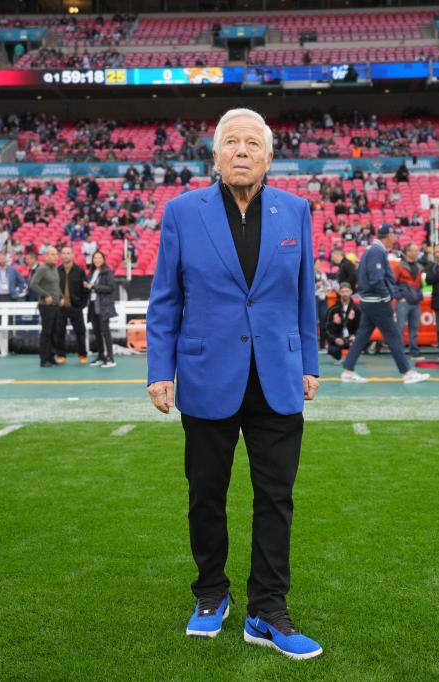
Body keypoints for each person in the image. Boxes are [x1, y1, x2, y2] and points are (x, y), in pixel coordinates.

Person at [146, 108, 323, 660]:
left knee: (276, 498)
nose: (242, 150)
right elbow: (166, 298)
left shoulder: (295, 210)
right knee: (206, 496)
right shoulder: (181, 212)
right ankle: (210, 594)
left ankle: (267, 610)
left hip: (277, 375)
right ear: (215, 154)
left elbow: (303, 296)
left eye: (253, 143)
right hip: (204, 374)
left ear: (269, 156)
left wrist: (310, 361)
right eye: (231, 142)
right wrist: (159, 370)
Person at [339, 224, 430, 384]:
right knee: (394, 335)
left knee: (362, 336)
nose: (395, 238)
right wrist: (387, 296)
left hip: (369, 300)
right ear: (387, 236)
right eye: (393, 235)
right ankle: (407, 372)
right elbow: (376, 279)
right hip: (377, 301)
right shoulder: (377, 251)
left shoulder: (373, 250)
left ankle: (348, 370)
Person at [54, 245, 88, 365]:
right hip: (61, 307)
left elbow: (86, 290)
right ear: (61, 255)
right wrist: (58, 301)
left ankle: (82, 355)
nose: (66, 255)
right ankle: (61, 355)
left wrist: (82, 305)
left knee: (80, 332)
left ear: (72, 255)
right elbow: (53, 289)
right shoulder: (56, 271)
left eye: (68, 253)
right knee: (59, 332)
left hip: (75, 307)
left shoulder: (79, 271)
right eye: (64, 253)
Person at [85, 250, 117, 367]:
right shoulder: (92, 272)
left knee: (105, 332)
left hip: (103, 306)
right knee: (97, 332)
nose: (97, 260)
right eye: (95, 258)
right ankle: (101, 356)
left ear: (103, 259)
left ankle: (110, 358)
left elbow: (111, 287)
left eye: (99, 258)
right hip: (93, 305)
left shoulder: (107, 272)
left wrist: (94, 286)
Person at [29, 247, 60, 367]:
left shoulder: (55, 269)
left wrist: (61, 297)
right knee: (46, 333)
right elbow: (32, 284)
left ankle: (51, 357)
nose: (55, 256)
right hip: (46, 306)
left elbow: (56, 286)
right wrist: (46, 295)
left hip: (56, 305)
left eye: (56, 254)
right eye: (52, 254)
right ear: (46, 256)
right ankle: (44, 360)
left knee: (54, 332)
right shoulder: (42, 269)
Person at [394, 242, 425, 361]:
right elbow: (392, 283)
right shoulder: (399, 266)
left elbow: (420, 284)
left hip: (415, 301)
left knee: (414, 327)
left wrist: (419, 295)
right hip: (404, 302)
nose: (417, 252)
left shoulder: (420, 267)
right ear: (408, 252)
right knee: (400, 327)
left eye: (417, 250)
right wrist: (399, 297)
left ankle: (414, 350)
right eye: (415, 250)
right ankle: (399, 352)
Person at [324, 281, 360, 362]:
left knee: (359, 343)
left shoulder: (356, 309)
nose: (345, 294)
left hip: (351, 339)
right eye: (343, 292)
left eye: (347, 291)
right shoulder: (332, 309)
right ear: (339, 292)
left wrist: (354, 335)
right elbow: (326, 327)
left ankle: (351, 359)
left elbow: (361, 326)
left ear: (351, 292)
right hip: (338, 339)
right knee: (332, 349)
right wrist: (335, 338)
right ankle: (338, 357)